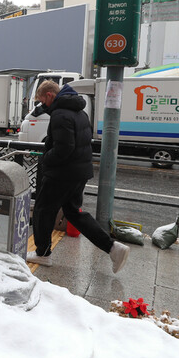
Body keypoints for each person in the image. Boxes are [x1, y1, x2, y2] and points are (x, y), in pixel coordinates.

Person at [25, 80, 130, 273]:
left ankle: (43, 252)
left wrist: (46, 159)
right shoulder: (79, 112)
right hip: (77, 172)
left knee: (42, 210)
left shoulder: (60, 114)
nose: (43, 106)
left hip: (61, 173)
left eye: (42, 101)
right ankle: (113, 248)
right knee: (74, 213)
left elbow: (64, 148)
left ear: (49, 95)